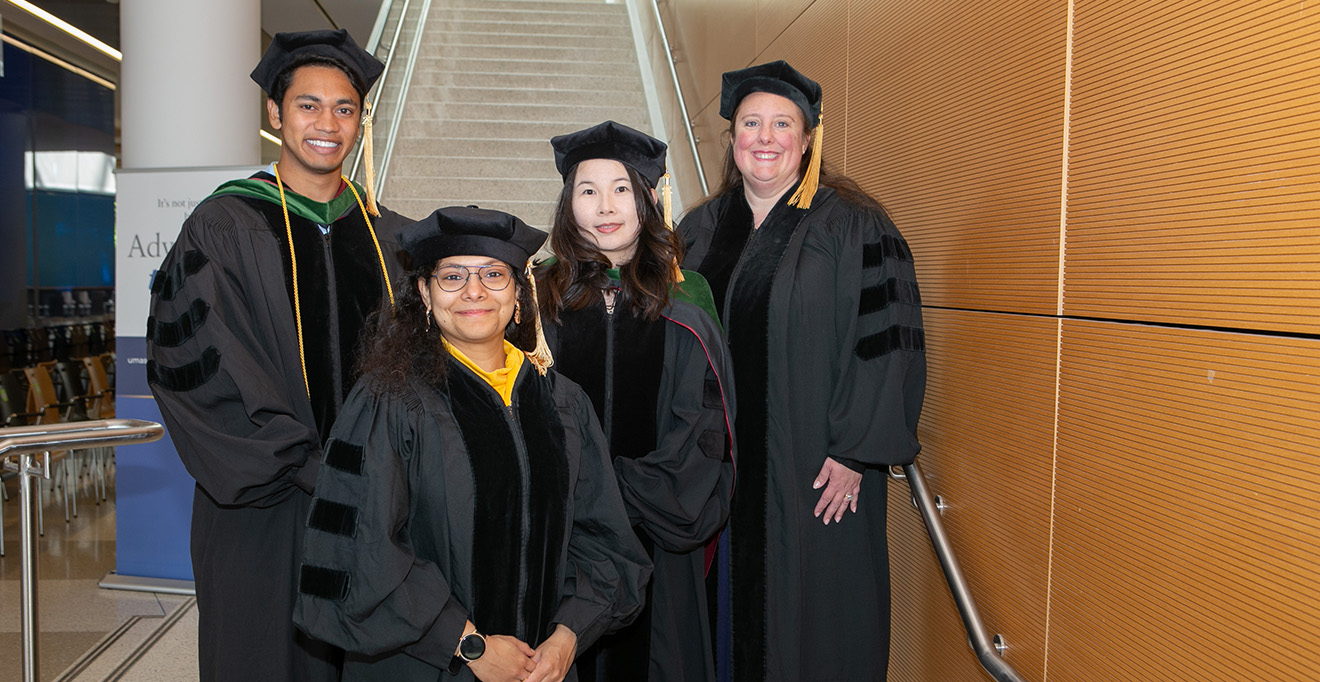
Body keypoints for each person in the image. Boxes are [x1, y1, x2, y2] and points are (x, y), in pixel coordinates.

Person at [146, 29, 411, 681]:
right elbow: (196, 368)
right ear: (275, 113)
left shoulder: (394, 239)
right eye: (308, 105)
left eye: (344, 108)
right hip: (263, 510)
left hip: (376, 509)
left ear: (359, 119)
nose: (327, 123)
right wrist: (304, 463)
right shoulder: (223, 226)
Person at [294, 206, 652, 682]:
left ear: (519, 294)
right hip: (422, 666)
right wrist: (467, 644)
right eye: (452, 276)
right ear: (423, 292)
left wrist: (568, 637)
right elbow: (362, 550)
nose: (474, 291)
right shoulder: (390, 401)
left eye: (493, 274)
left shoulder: (563, 404)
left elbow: (605, 541)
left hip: (539, 669)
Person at [677, 60, 927, 682]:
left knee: (816, 624)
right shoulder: (697, 231)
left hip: (814, 472)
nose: (765, 136)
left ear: (809, 137)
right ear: (732, 138)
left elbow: (889, 341)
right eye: (751, 122)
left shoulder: (854, 226)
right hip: (715, 478)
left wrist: (856, 450)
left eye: (782, 123)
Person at [537, 121, 736, 682]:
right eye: (588, 190)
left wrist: (618, 490)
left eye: (622, 188)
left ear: (649, 200)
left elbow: (705, 432)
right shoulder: (534, 301)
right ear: (567, 205)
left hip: (656, 534)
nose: (605, 206)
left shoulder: (687, 301)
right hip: (563, 545)